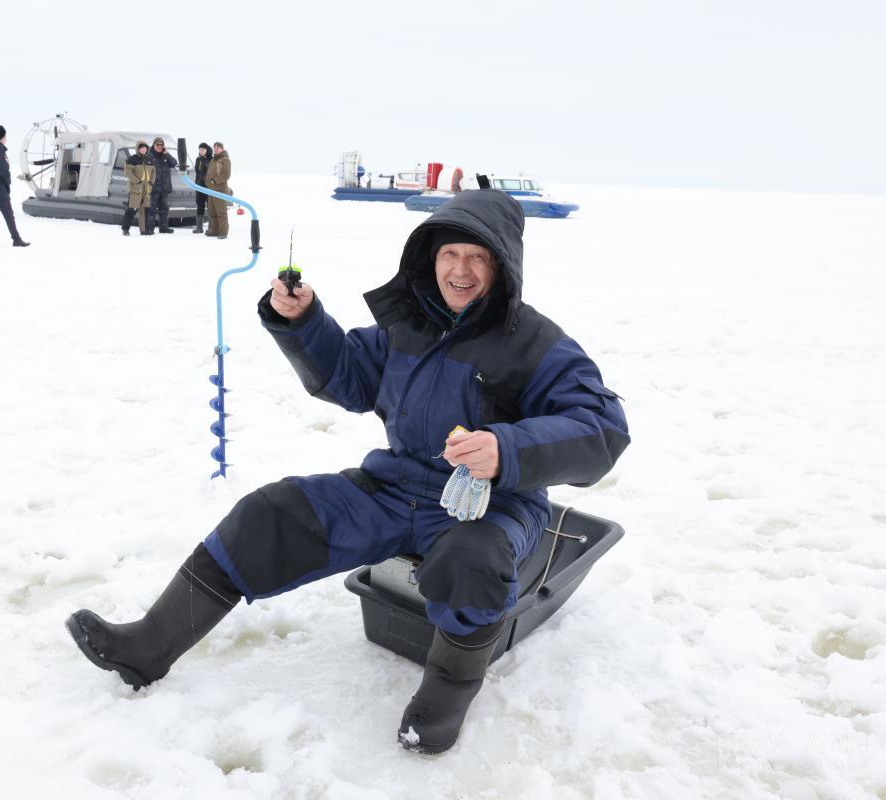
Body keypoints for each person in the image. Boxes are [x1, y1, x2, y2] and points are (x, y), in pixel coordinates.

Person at [65, 189, 630, 754]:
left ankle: (443, 702)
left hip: (492, 504)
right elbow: (348, 375)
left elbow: (604, 427)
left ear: (502, 264)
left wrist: (508, 449)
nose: (460, 270)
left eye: (478, 257)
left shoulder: (536, 343)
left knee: (472, 562)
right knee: (268, 514)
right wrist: (302, 320)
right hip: (395, 487)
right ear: (429, 258)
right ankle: (149, 647)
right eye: (449, 254)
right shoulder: (407, 325)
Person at [121, 141, 156, 236]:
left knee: (144, 210)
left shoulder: (150, 160)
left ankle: (143, 230)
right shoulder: (132, 159)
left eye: (145, 148)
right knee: (131, 209)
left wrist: (151, 182)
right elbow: (127, 172)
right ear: (138, 149)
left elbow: (153, 172)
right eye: (142, 148)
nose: (143, 150)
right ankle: (125, 229)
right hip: (135, 189)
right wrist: (136, 181)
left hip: (146, 190)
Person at [146, 136, 178, 234]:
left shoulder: (165, 156)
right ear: (154, 145)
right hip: (153, 188)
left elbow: (174, 163)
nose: (160, 146)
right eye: (158, 144)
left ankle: (163, 228)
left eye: (161, 145)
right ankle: (149, 229)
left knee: (164, 209)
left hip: (164, 188)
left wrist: (166, 154)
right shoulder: (149, 155)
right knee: (151, 210)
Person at [204, 141, 231, 239]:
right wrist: (207, 181)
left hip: (219, 190)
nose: (215, 149)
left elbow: (226, 175)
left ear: (222, 149)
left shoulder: (225, 159)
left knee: (220, 212)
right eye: (214, 147)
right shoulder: (214, 159)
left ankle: (223, 232)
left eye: (218, 147)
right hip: (210, 189)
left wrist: (215, 181)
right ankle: (214, 230)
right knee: (212, 211)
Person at [192, 143, 213, 234]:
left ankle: (211, 227)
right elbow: (197, 172)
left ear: (207, 150)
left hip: (208, 188)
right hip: (199, 187)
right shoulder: (198, 159)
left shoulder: (212, 160)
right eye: (200, 149)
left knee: (210, 207)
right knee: (200, 206)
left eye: (203, 150)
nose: (201, 151)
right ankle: (199, 228)